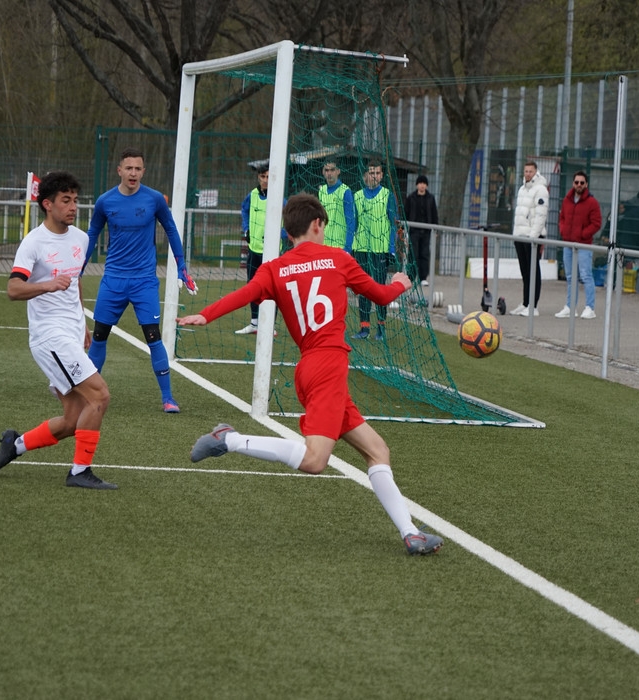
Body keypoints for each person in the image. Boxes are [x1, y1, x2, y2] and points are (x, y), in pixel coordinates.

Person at [177, 193, 443, 555]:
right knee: (316, 460)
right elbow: (381, 296)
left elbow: (245, 294)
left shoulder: (274, 268)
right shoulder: (339, 259)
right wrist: (400, 283)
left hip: (308, 369)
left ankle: (410, 533)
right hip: (328, 367)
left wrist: (206, 315)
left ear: (289, 233)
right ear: (317, 224)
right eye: (324, 227)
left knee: (377, 450)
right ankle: (230, 439)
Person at [0, 170, 117, 490]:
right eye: (66, 201)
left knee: (72, 421)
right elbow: (13, 289)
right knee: (99, 395)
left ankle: (14, 445)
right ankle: (79, 472)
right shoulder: (34, 242)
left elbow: (75, 281)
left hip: (71, 334)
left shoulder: (81, 238)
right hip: (49, 337)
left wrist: (82, 323)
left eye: (76, 200)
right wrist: (46, 285)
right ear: (47, 204)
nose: (73, 207)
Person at [83, 147, 198, 414]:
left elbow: (171, 229)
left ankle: (168, 398)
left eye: (138, 168)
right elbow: (92, 233)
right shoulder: (105, 201)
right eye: (129, 168)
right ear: (119, 171)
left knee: (153, 337)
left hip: (144, 281)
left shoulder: (154, 199)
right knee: (99, 336)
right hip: (113, 280)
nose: (133, 173)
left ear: (143, 171)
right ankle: (88, 394)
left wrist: (181, 266)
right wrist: (79, 267)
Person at [352, 160, 399, 340]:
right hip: (361, 249)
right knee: (363, 289)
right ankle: (364, 328)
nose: (375, 176)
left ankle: (381, 327)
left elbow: (393, 224)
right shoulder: (357, 196)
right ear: (365, 175)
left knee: (379, 289)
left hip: (380, 250)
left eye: (378, 173)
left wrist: (392, 248)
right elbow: (354, 224)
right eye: (372, 173)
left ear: (382, 175)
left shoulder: (388, 195)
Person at [238, 163, 287, 335]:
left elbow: (290, 222)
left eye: (268, 177)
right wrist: (246, 229)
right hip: (254, 250)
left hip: (272, 254)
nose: (265, 180)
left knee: (272, 288)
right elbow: (244, 211)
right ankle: (254, 323)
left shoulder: (280, 198)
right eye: (262, 177)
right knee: (253, 286)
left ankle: (270, 326)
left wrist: (278, 234)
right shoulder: (252, 195)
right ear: (258, 177)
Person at [556, 171, 601, 319]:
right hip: (568, 243)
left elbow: (596, 223)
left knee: (586, 275)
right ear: (573, 183)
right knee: (570, 277)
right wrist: (563, 231)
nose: (579, 185)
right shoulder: (567, 200)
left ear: (586, 184)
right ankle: (570, 307)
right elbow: (562, 218)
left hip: (583, 245)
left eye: (582, 182)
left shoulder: (592, 202)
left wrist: (582, 234)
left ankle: (590, 307)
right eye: (577, 182)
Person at [508, 162, 548, 316]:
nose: (528, 174)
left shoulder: (541, 190)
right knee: (525, 271)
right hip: (520, 234)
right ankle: (525, 302)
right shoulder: (522, 189)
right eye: (526, 171)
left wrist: (533, 236)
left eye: (531, 171)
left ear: (536, 172)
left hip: (532, 237)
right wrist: (516, 233)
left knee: (533, 271)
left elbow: (540, 215)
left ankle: (533, 305)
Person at [404, 174, 439, 287]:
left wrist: (435, 229)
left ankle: (423, 277)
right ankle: (411, 276)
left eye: (424, 183)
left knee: (424, 254)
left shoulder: (431, 198)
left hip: (426, 231)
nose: (422, 185)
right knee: (413, 254)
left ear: (427, 185)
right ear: (417, 185)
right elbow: (406, 213)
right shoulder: (411, 198)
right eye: (420, 183)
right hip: (414, 231)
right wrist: (404, 228)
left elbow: (434, 214)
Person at [317, 160, 356, 252]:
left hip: (340, 246)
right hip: (324, 245)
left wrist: (348, 247)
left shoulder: (345, 191)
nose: (329, 173)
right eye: (327, 170)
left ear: (338, 171)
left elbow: (351, 221)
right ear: (323, 172)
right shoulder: (322, 191)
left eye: (332, 170)